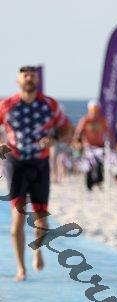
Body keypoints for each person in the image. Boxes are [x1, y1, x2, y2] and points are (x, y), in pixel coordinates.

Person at [0, 65, 73, 281]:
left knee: (42, 219)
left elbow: (68, 130)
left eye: (33, 75)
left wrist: (55, 139)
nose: (29, 78)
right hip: (16, 163)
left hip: (40, 164)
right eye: (25, 75)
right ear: (18, 80)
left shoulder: (49, 105)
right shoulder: (7, 105)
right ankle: (21, 268)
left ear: (37, 80)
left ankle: (37, 251)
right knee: (17, 218)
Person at [73, 100, 110, 191]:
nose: (94, 112)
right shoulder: (85, 120)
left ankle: (99, 181)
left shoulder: (102, 119)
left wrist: (110, 142)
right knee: (89, 165)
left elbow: (107, 132)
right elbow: (78, 132)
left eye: (96, 109)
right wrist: (77, 143)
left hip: (100, 145)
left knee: (100, 164)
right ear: (89, 110)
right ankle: (89, 185)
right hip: (88, 146)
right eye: (93, 110)